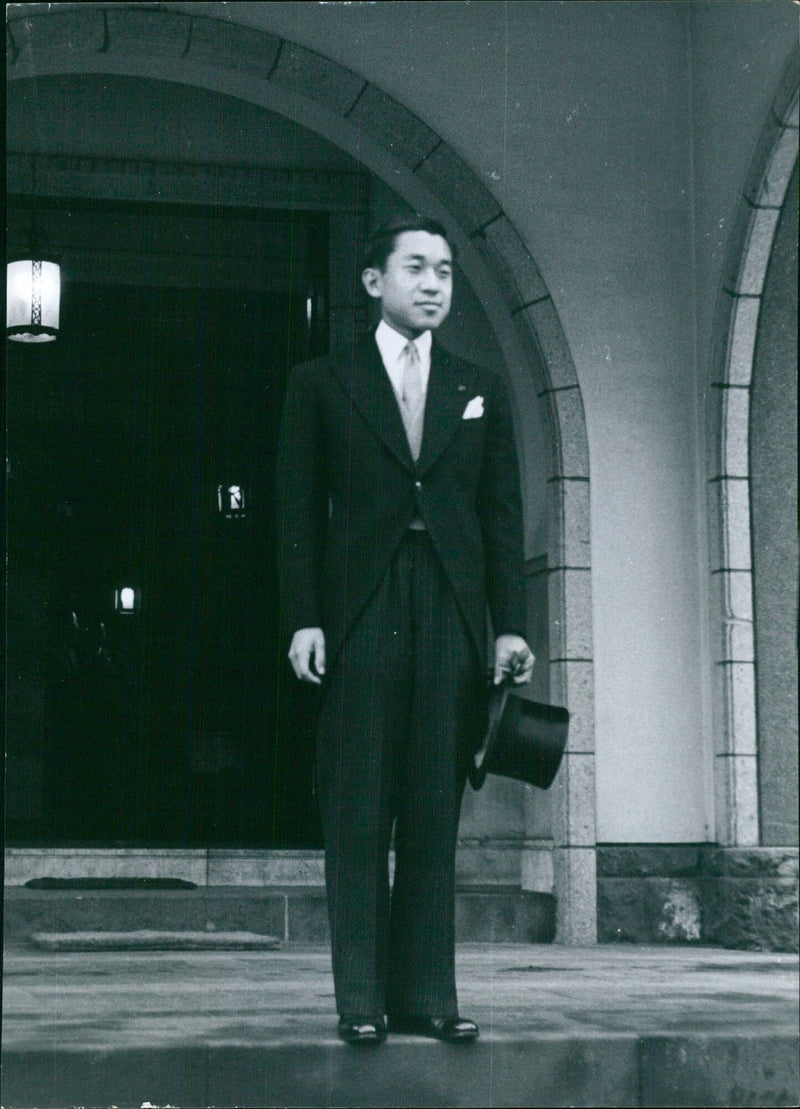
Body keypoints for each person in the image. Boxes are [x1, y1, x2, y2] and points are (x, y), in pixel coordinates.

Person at [277, 214, 534, 1046]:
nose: (434, 285)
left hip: (453, 612)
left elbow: (501, 518)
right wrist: (305, 620)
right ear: (371, 281)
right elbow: (294, 516)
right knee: (357, 804)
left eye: (446, 272)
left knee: (433, 803)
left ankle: (426, 993)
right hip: (362, 607)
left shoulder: (476, 384)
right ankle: (361, 999)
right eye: (417, 268)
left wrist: (507, 628)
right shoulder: (321, 381)